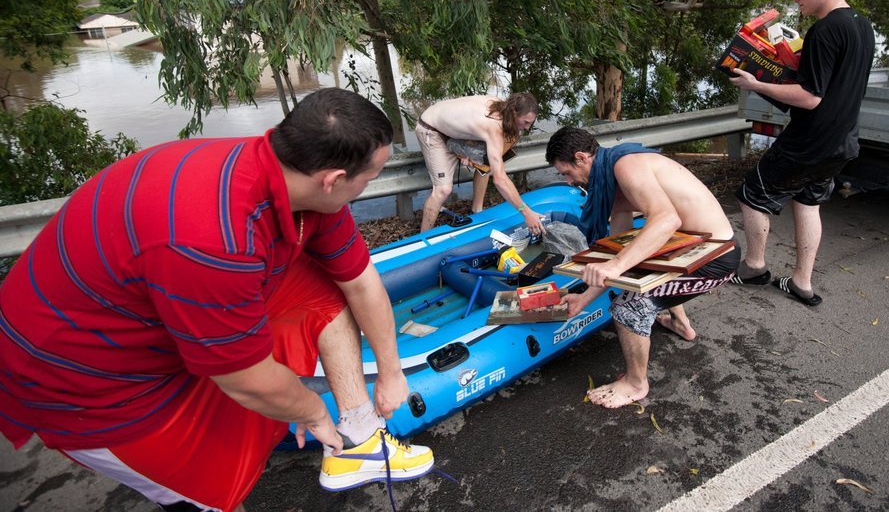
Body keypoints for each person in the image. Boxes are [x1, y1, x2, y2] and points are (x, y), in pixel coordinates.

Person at [0, 88, 434, 511]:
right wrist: (311, 411)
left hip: (160, 298)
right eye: (369, 179)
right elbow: (246, 379)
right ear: (334, 180)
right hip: (81, 374)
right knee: (211, 492)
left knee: (321, 285)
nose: (367, 186)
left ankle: (360, 439)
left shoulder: (298, 179)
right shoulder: (214, 241)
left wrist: (391, 372)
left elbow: (360, 281)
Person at [545, 127, 739, 409]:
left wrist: (616, 266)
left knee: (628, 307)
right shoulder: (612, 175)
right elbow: (620, 252)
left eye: (566, 173)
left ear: (582, 157)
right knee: (636, 261)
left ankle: (636, 384)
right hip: (689, 250)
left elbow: (667, 220)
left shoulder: (626, 166)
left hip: (717, 257)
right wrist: (585, 297)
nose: (569, 181)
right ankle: (680, 324)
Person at [729, 0, 874, 307]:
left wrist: (757, 84)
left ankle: (755, 267)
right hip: (842, 141)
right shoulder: (862, 25)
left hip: (809, 141)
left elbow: (810, 97)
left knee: (752, 194)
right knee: (808, 203)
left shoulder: (825, 30)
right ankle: (801, 282)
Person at [415, 92, 544, 235]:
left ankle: (477, 210)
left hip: (447, 124)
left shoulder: (501, 105)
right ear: (514, 114)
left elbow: (468, 123)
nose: (527, 128)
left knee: (488, 159)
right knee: (443, 190)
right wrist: (526, 213)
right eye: (526, 122)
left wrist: (467, 152)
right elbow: (500, 180)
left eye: (530, 123)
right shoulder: (493, 127)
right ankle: (422, 238)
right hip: (430, 128)